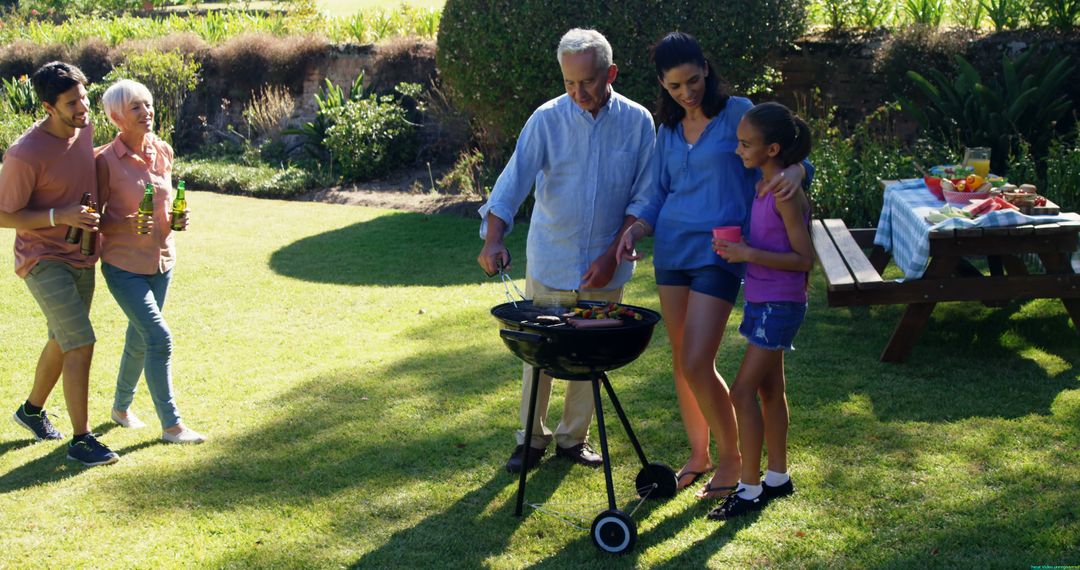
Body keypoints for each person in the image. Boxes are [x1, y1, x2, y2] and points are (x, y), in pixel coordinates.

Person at [617, 32, 810, 500]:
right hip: (672, 253)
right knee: (684, 365)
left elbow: (784, 149)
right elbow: (659, 193)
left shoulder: (738, 112)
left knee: (697, 360)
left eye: (694, 80)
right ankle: (699, 455)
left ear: (706, 68)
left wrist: (797, 171)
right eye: (675, 86)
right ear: (663, 86)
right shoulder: (666, 133)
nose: (688, 93)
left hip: (719, 254)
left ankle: (732, 461)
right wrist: (636, 228)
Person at [476, 28, 657, 473]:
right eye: (569, 83)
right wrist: (493, 238)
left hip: (607, 267)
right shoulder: (546, 119)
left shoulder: (638, 122)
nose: (578, 93)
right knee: (539, 353)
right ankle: (530, 440)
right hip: (551, 258)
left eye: (588, 82)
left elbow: (645, 198)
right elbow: (513, 179)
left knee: (592, 355)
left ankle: (573, 439)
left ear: (610, 72)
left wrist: (613, 252)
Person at [0, 61, 120, 466]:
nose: (84, 107)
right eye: (73, 102)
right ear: (49, 107)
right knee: (81, 340)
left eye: (85, 96)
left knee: (63, 338)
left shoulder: (83, 129)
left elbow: (89, 167)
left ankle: (30, 411)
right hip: (42, 258)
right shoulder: (24, 154)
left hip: (83, 253)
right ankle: (81, 440)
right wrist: (59, 216)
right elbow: (4, 214)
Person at [708, 101, 813, 519]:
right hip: (762, 299)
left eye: (745, 144)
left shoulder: (784, 194)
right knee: (770, 390)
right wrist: (744, 252)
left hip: (780, 303)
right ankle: (777, 478)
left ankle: (748, 489)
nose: (739, 150)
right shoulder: (764, 186)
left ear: (772, 150)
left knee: (741, 390)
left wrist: (747, 252)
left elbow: (804, 260)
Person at [96, 79, 205, 444]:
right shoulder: (103, 161)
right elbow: (91, 216)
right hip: (123, 265)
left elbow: (166, 200)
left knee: (139, 338)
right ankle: (172, 427)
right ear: (116, 118)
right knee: (159, 338)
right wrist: (123, 221)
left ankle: (121, 408)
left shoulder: (163, 151)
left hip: (162, 261)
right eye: (135, 108)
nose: (146, 112)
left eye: (147, 104)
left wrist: (176, 219)